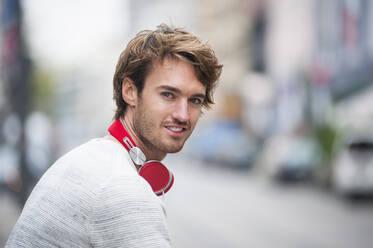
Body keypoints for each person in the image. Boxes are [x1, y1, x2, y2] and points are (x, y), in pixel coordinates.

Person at [6, 23, 222, 247]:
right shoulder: (121, 188)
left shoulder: (88, 159)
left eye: (195, 100)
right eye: (168, 94)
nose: (183, 115)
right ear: (130, 92)